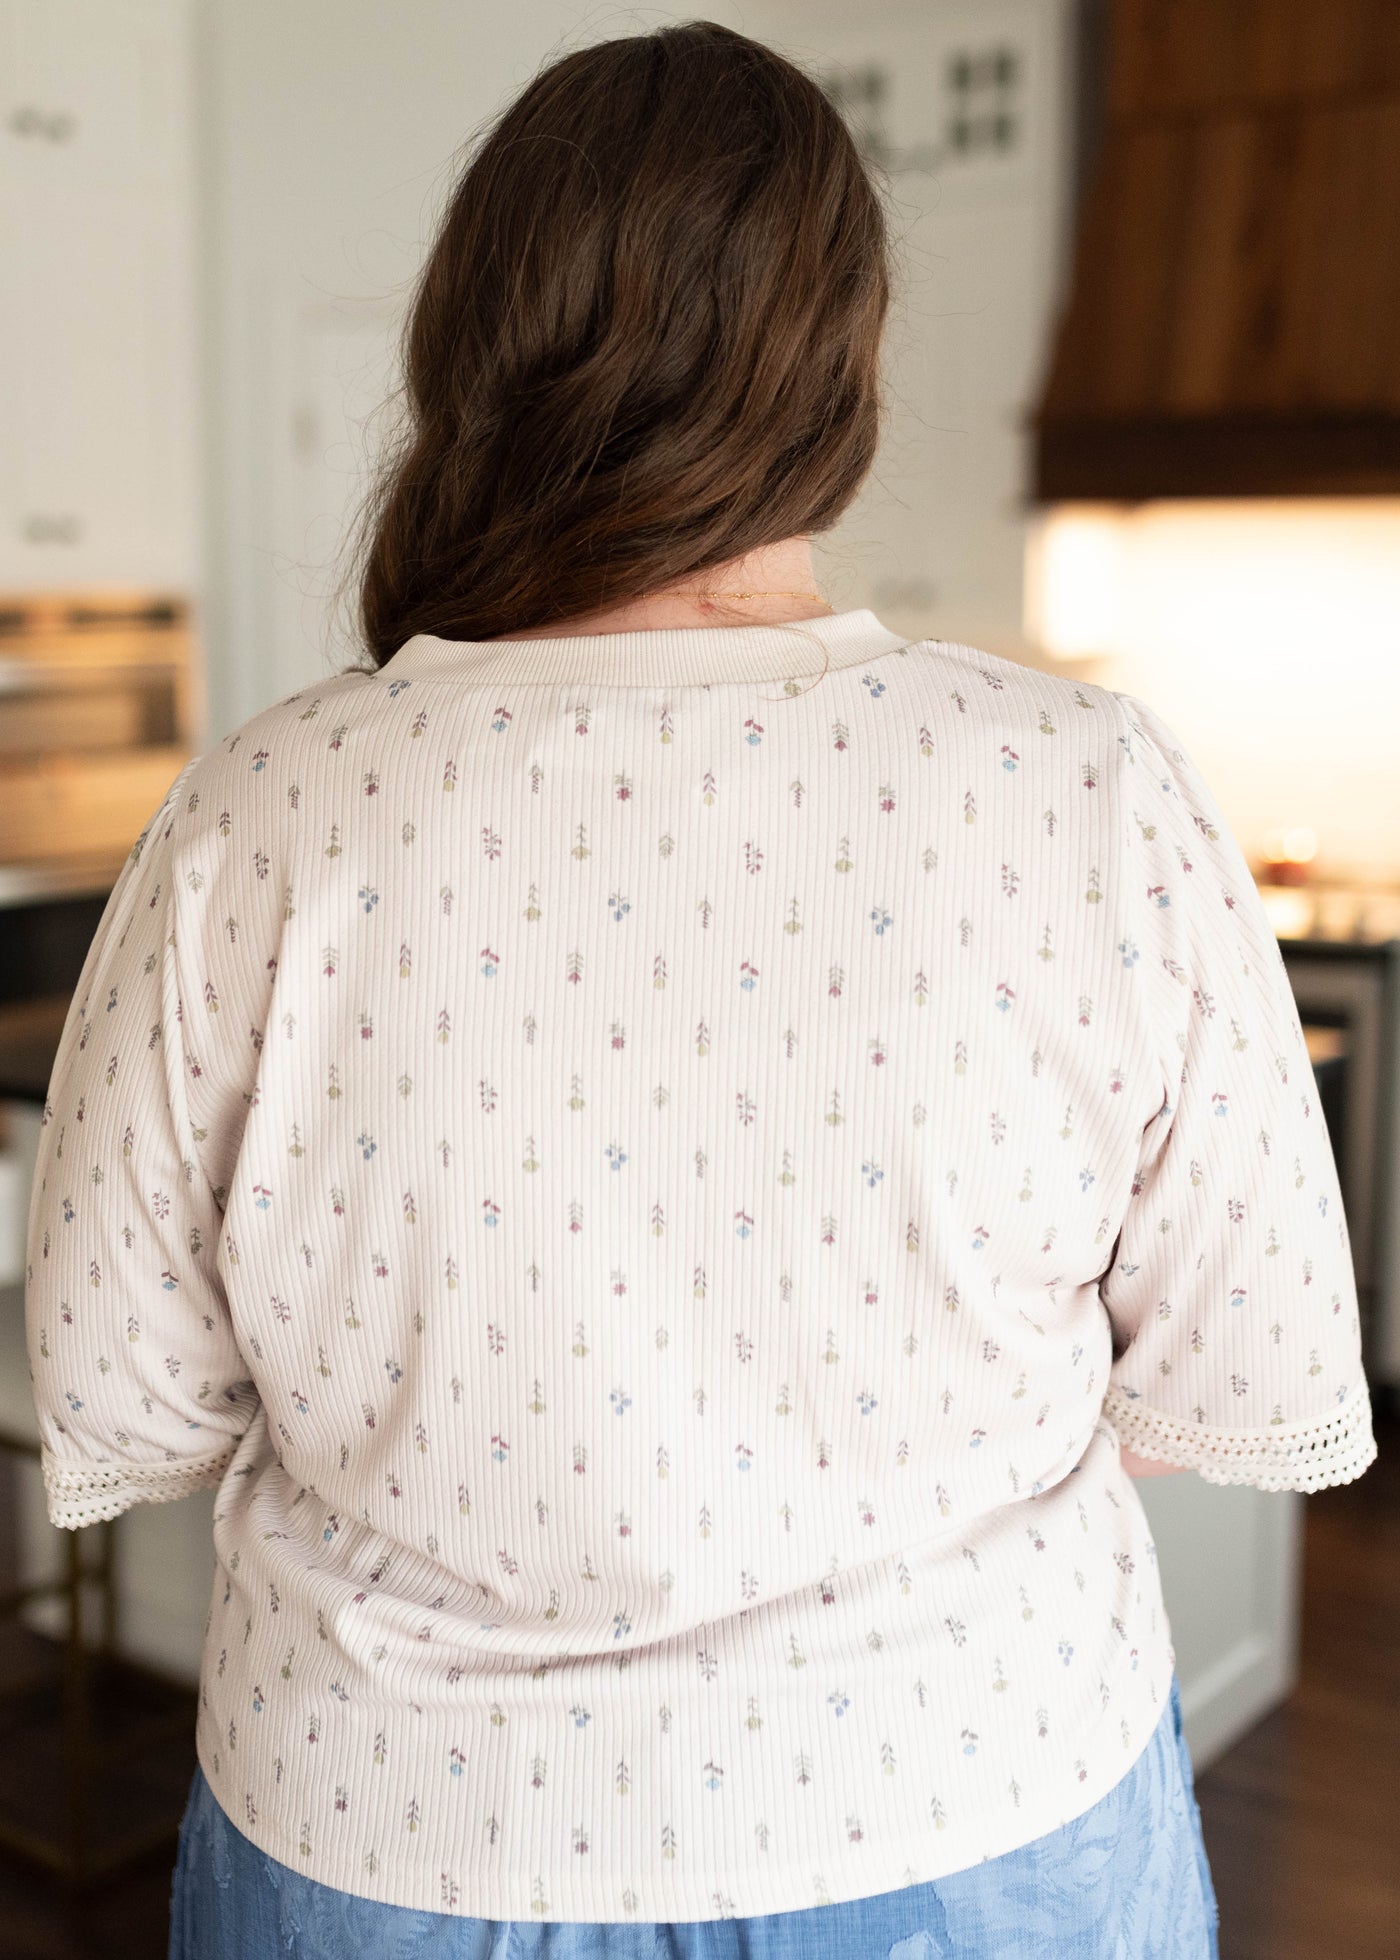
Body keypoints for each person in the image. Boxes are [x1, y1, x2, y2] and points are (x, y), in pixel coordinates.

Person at [24, 20, 1374, 1960]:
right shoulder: (1076, 788)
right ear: (844, 362)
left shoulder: (267, 809)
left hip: (399, 1827)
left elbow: (132, 1394)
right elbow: (1234, 1374)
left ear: (469, 348)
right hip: (967, 1798)